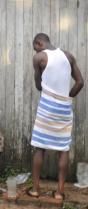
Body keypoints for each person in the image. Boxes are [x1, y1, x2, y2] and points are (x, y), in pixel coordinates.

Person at [29, 33, 84, 200]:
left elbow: (39, 86)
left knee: (40, 147)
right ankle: (60, 192)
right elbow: (80, 82)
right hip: (64, 107)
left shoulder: (39, 57)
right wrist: (67, 97)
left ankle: (36, 189)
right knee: (63, 149)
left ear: (38, 43)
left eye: (35, 47)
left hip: (47, 106)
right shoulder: (68, 56)